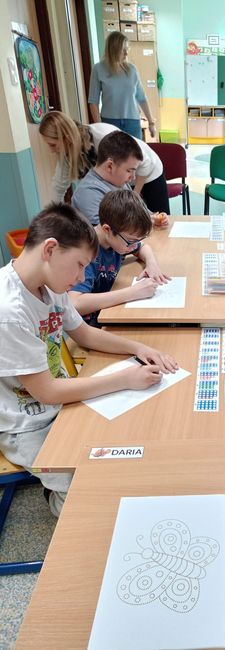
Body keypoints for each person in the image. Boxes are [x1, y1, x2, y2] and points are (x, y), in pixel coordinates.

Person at [0, 204, 178, 517]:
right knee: (90, 498)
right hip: (25, 424)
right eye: (80, 265)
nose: (82, 277)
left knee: (129, 454)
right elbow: (47, 392)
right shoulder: (10, 311)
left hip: (62, 402)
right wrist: (125, 379)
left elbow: (84, 334)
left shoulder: (49, 284)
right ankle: (56, 497)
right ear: (50, 250)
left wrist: (137, 348)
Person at [39, 110, 170, 217]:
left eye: (53, 145)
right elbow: (58, 188)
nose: (51, 150)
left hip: (149, 173)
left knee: (158, 222)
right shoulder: (68, 156)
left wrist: (134, 197)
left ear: (66, 137)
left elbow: (145, 162)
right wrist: (53, 218)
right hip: (124, 181)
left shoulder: (102, 136)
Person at [69, 189, 170, 327]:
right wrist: (133, 292)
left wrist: (152, 264)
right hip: (90, 325)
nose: (133, 246)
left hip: (109, 310)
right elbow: (75, 303)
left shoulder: (118, 240)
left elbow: (143, 247)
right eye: (130, 241)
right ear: (107, 230)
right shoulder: (86, 253)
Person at [72, 130, 166, 226]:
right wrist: (144, 221)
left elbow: (140, 212)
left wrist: (153, 217)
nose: (133, 177)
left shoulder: (119, 182)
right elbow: (104, 231)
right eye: (129, 170)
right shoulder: (88, 193)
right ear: (110, 166)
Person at [88, 31, 156, 140]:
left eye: (127, 49)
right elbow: (93, 101)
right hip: (109, 123)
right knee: (112, 151)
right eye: (123, 50)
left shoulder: (132, 70)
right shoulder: (98, 69)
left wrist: (151, 123)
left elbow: (142, 98)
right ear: (114, 49)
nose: (126, 53)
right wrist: (100, 127)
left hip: (132, 123)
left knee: (134, 151)